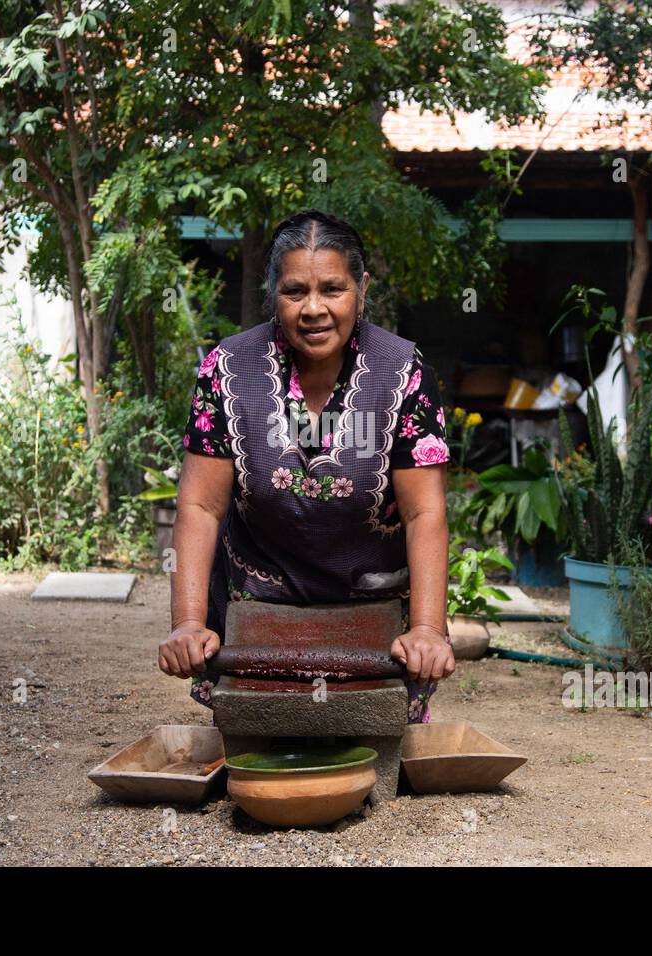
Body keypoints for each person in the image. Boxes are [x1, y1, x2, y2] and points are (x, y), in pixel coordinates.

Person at [158, 208, 454, 723]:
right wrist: (187, 622)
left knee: (364, 750)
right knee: (264, 744)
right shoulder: (226, 370)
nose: (313, 309)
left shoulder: (404, 371)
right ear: (273, 292)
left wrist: (427, 630)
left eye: (332, 289)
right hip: (256, 608)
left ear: (361, 288)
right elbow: (201, 506)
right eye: (295, 291)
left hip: (371, 610)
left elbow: (424, 513)